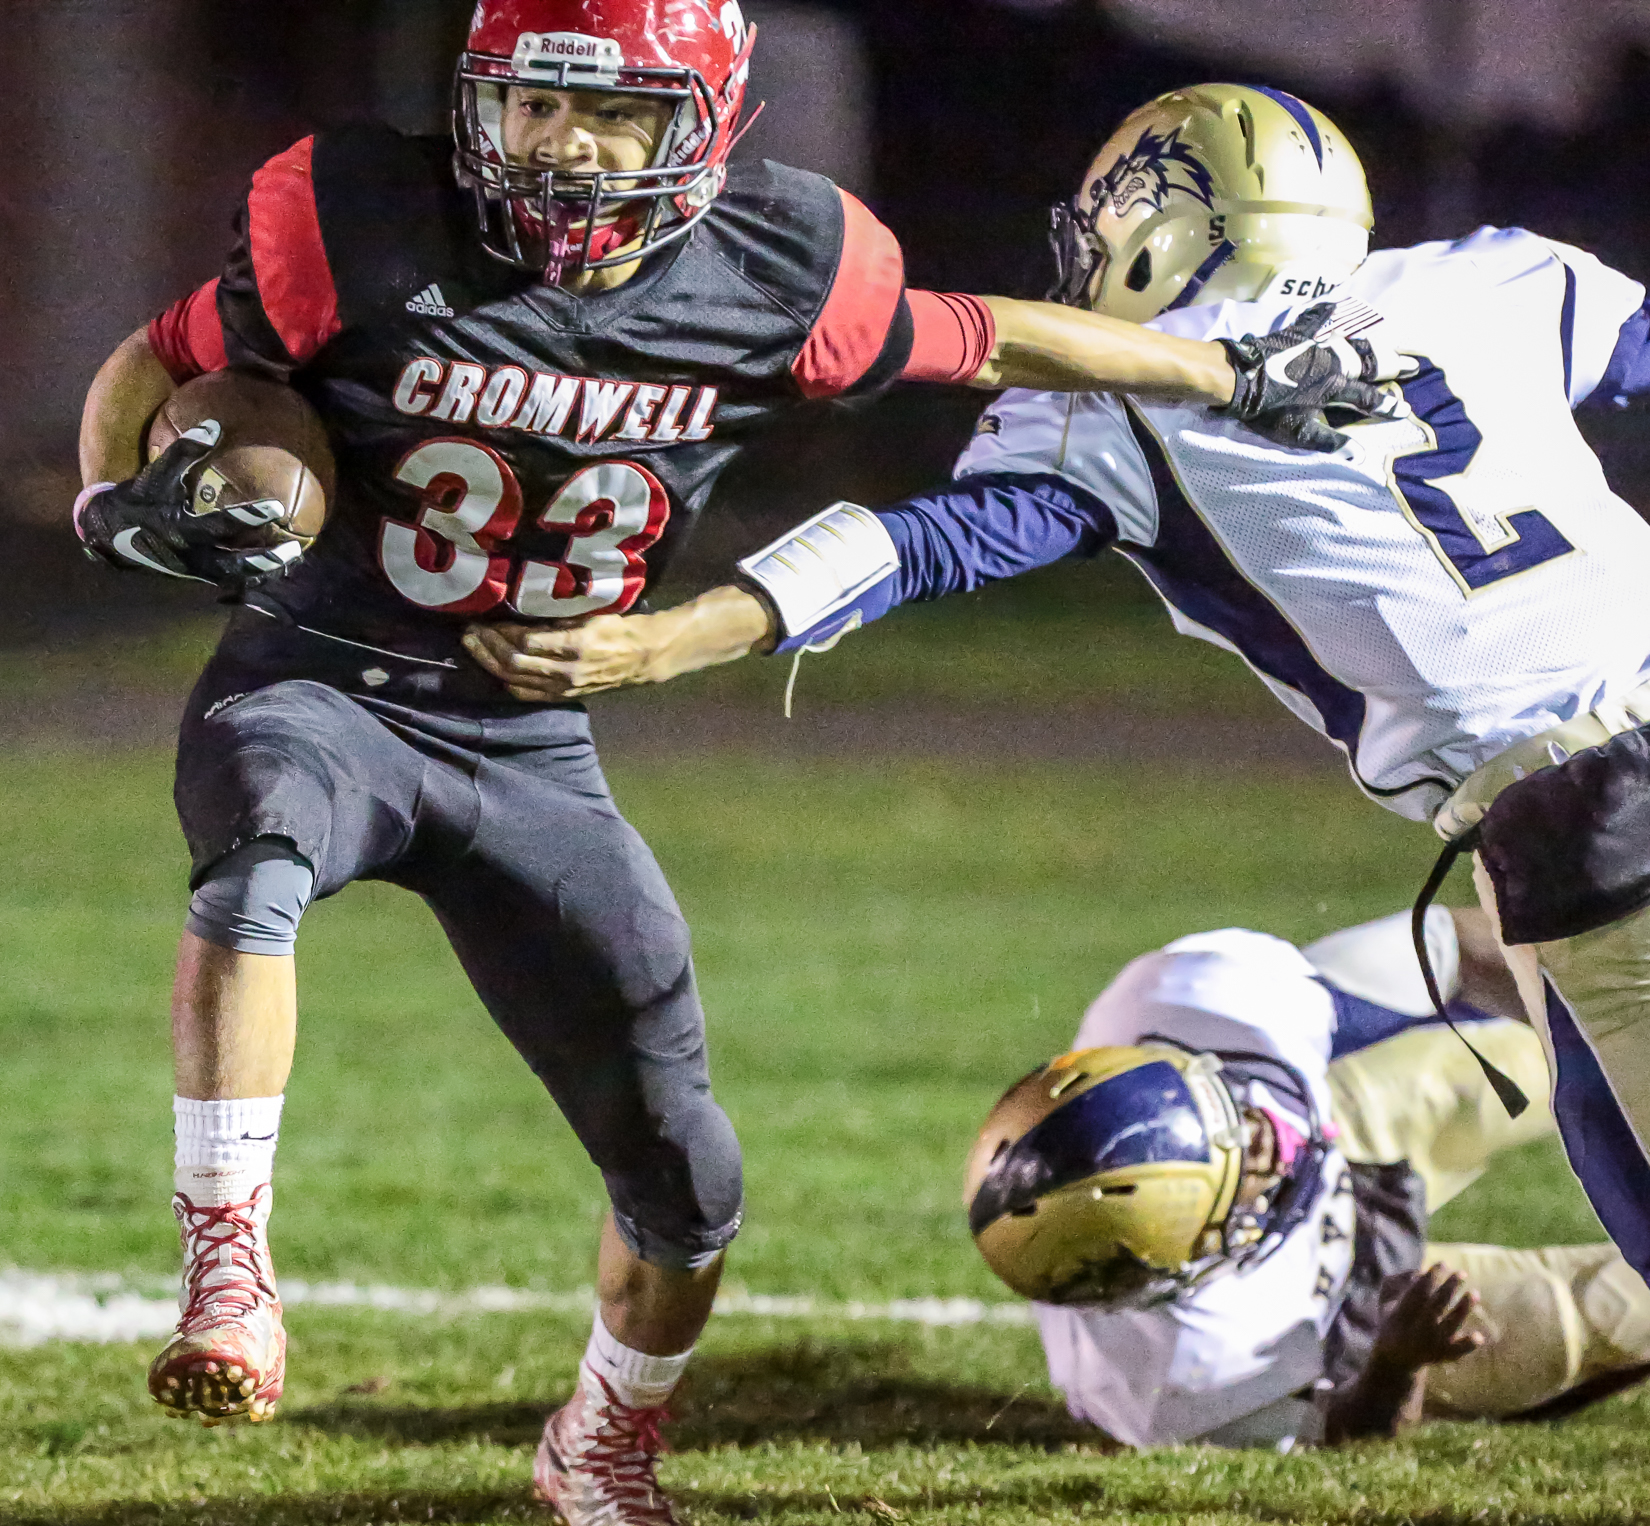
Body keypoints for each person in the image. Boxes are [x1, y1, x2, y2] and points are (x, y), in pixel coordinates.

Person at [71, 15, 1368, 1519]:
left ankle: (603, 1441)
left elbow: (991, 335)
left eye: (607, 114)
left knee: (689, 1177)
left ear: (705, 121)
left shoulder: (782, 270)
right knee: (260, 851)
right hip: (318, 677)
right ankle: (228, 1264)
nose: (559, 145)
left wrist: (1224, 374)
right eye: (533, 103)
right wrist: (116, 502)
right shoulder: (360, 215)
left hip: (529, 740)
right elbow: (161, 357)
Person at [489, 82, 1650, 1293]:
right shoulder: (1489, 279)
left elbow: (920, 545)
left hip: (1585, 824)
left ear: (1162, 224)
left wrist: (680, 634)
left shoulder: (1119, 412)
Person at [965, 906, 1650, 1449]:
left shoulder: (1193, 998)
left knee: (1538, 1044)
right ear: (1195, 1259)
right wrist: (1396, 1364)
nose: (1260, 1136)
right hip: (1349, 1317)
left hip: (1340, 1121)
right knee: (1609, 1308)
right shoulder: (1178, 1379)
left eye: (1226, 1109)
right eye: (1241, 1170)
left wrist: (1617, 1017)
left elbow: (1458, 950)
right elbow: (1347, 1440)